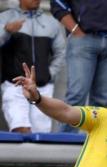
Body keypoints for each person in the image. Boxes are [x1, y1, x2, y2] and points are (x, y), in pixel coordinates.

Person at [50, 0, 107, 133]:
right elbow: (58, 2)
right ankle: (65, 141)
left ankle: (95, 143)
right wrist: (75, 29)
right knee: (77, 95)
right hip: (83, 39)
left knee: (102, 100)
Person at [0, 0, 65, 133]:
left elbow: (61, 52)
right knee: (20, 129)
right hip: (14, 85)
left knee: (41, 133)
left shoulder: (51, 23)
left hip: (42, 87)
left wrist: (50, 74)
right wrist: (6, 31)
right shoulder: (5, 17)